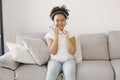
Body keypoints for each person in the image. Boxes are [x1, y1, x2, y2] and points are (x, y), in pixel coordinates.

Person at [45, 5, 76, 80]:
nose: (60, 22)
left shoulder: (71, 34)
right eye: (57, 20)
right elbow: (53, 52)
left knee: (70, 76)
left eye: (62, 20)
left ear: (66, 22)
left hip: (68, 61)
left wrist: (66, 37)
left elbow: (72, 51)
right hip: (54, 61)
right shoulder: (49, 35)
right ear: (53, 22)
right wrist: (56, 35)